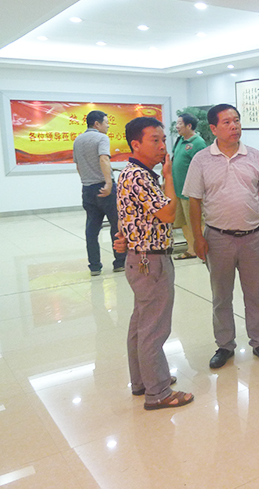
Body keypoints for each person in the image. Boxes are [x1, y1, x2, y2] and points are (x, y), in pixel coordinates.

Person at [183, 104, 259, 369]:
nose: (234, 126)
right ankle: (224, 345)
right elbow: (194, 200)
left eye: (236, 120)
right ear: (213, 128)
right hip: (218, 238)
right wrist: (197, 237)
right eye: (226, 122)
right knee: (221, 296)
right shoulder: (201, 159)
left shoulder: (255, 156)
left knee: (255, 294)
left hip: (252, 237)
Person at [116, 116, 193, 410]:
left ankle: (143, 380)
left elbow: (130, 217)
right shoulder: (140, 176)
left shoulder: (132, 173)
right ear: (135, 144)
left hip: (140, 258)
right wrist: (169, 177)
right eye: (155, 140)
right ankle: (158, 392)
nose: (163, 146)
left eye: (163, 140)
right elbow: (169, 214)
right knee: (154, 329)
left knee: (141, 325)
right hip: (151, 262)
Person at [73, 110, 126, 275]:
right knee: (116, 224)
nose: (108, 126)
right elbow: (104, 158)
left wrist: (86, 182)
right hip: (104, 188)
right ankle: (120, 262)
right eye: (106, 122)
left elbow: (78, 166)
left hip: (87, 189)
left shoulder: (77, 140)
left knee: (92, 228)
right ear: (97, 124)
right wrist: (108, 183)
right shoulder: (101, 138)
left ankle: (95, 266)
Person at [171, 113, 207, 260]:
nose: (177, 126)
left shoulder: (198, 143)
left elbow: (203, 168)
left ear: (189, 126)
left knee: (197, 221)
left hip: (191, 192)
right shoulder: (179, 140)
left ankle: (205, 250)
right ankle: (192, 249)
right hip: (178, 190)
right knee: (183, 221)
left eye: (180, 123)